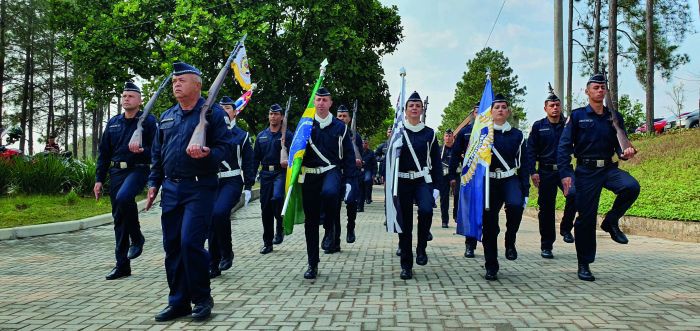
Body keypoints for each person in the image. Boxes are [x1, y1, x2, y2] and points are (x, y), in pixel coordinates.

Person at [146, 62, 233, 321]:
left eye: (182, 80)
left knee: (190, 244)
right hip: (171, 188)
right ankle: (178, 301)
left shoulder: (214, 114)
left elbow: (224, 149)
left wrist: (207, 155)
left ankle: (202, 299)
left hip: (199, 187)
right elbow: (157, 154)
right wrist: (153, 183)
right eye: (174, 81)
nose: (176, 84)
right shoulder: (168, 115)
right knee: (172, 246)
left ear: (198, 84)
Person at [558, 74, 640, 282]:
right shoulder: (577, 116)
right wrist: (566, 173)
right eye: (595, 87)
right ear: (587, 91)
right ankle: (584, 263)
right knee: (586, 218)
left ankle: (611, 222)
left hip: (608, 168)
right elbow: (564, 147)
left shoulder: (614, 116)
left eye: (603, 87)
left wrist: (626, 153)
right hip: (585, 172)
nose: (600, 90)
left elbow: (620, 147)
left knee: (631, 187)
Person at [94, 81, 156, 280]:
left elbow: (157, 150)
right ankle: (122, 265)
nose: (126, 99)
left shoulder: (147, 121)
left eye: (130, 96)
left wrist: (143, 150)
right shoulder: (113, 122)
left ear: (139, 100)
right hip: (116, 173)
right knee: (119, 219)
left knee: (124, 198)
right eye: (123, 96)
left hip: (138, 170)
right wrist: (98, 180)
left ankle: (137, 237)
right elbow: (104, 153)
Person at [300, 87, 356, 279]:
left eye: (325, 100)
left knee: (331, 193)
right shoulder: (305, 125)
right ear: (313, 103)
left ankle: (330, 225)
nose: (321, 103)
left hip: (331, 170)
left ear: (330, 103)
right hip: (309, 175)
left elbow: (348, 155)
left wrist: (349, 180)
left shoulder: (340, 128)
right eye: (318, 100)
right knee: (311, 222)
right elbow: (296, 151)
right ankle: (312, 264)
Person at [392, 91, 442, 280]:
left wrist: (437, 187)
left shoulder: (430, 133)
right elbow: (390, 161)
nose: (414, 108)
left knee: (427, 210)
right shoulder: (398, 131)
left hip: (422, 180)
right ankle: (406, 264)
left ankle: (421, 247)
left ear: (422, 110)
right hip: (403, 181)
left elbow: (436, 162)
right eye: (411, 105)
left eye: (417, 105)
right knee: (404, 223)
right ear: (405, 110)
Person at [481, 94, 529, 281]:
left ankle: (510, 239)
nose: (500, 110)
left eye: (503, 107)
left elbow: (524, 164)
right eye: (496, 107)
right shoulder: (483, 134)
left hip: (510, 179)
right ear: (491, 112)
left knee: (516, 206)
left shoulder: (517, 135)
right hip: (489, 182)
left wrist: (525, 190)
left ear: (508, 112)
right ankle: (491, 265)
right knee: (490, 226)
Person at [526, 88, 576, 260]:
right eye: (552, 105)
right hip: (546, 171)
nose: (555, 108)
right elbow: (530, 150)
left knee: (575, 195)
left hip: (565, 170)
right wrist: (532, 171)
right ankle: (546, 245)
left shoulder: (568, 125)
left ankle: (566, 227)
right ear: (545, 108)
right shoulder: (538, 126)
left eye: (557, 105)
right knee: (546, 209)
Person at [208, 96, 254, 279]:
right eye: (221, 108)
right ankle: (213, 263)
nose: (224, 111)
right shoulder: (209, 133)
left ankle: (226, 251)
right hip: (212, 182)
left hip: (232, 180)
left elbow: (248, 162)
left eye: (228, 108)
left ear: (235, 112)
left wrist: (249, 185)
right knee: (212, 220)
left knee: (220, 213)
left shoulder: (241, 136)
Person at [253, 103, 293, 252]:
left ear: (282, 117)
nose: (273, 116)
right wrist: (250, 178)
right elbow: (255, 158)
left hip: (280, 173)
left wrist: (287, 158)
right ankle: (267, 243)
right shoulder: (261, 135)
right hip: (265, 174)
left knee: (277, 198)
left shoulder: (287, 135)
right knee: (265, 209)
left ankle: (280, 224)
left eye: (276, 114)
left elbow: (295, 155)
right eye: (271, 114)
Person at [449, 102, 479, 258]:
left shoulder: (494, 132)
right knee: (471, 211)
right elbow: (455, 154)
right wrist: (453, 175)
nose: (479, 113)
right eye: (476, 111)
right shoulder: (465, 132)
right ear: (472, 114)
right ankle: (470, 244)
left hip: (490, 177)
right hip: (470, 177)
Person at [335, 105, 363, 244]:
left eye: (344, 116)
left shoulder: (355, 136)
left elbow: (360, 158)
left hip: (351, 175)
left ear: (349, 118)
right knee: (334, 205)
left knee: (351, 202)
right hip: (336, 174)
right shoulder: (333, 132)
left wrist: (357, 160)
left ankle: (350, 226)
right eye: (339, 116)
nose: (342, 118)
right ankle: (335, 238)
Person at [438, 129, 455, 228]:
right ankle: (445, 220)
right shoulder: (440, 149)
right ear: (444, 137)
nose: (448, 138)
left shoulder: (457, 149)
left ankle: (456, 214)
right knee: (444, 198)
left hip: (455, 175)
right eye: (446, 136)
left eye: (450, 136)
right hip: (443, 176)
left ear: (453, 137)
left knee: (457, 196)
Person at [359, 139, 377, 207]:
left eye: (365, 143)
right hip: (359, 170)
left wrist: (374, 174)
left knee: (367, 180)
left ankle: (368, 198)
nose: (364, 144)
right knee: (360, 184)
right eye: (363, 143)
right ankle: (361, 199)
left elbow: (374, 164)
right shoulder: (358, 152)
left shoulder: (371, 153)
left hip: (368, 170)